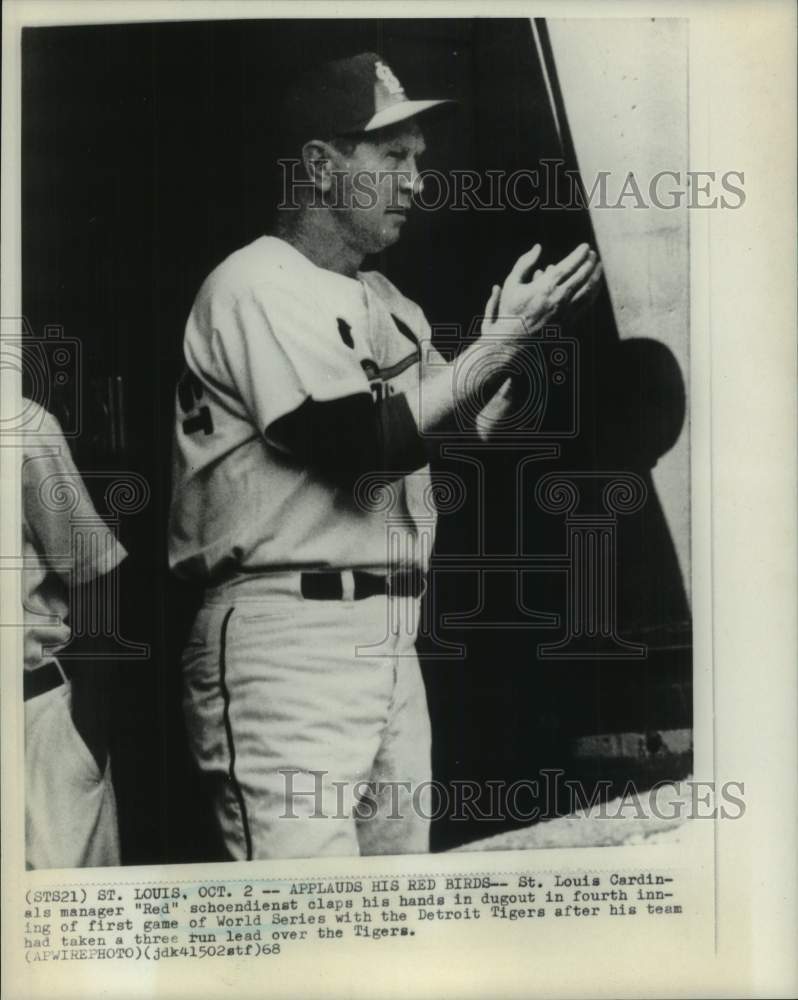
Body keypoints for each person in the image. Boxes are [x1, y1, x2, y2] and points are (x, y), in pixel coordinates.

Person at [168, 52, 602, 860]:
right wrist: (493, 346)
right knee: (305, 930)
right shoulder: (253, 282)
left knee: (393, 923)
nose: (415, 180)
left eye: (418, 161)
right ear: (319, 166)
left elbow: (457, 442)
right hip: (284, 638)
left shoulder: (386, 302)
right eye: (393, 157)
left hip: (391, 637)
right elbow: (352, 446)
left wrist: (514, 360)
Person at [22, 399, 126, 869]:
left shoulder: (23, 426)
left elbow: (95, 577)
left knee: (70, 921)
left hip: (32, 715)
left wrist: (87, 736)